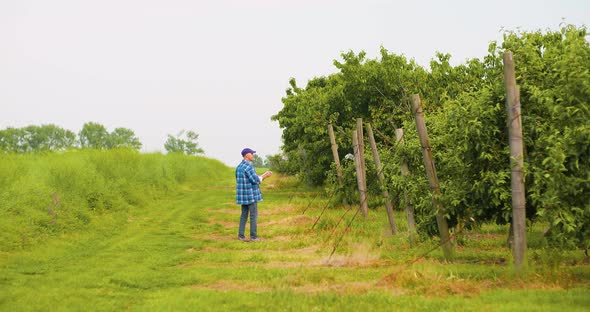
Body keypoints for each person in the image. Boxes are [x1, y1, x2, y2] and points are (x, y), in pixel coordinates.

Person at [235, 147, 272, 242]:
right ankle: (254, 237)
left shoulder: (239, 167)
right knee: (253, 216)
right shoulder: (249, 166)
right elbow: (255, 180)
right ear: (246, 155)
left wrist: (263, 175)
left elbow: (247, 179)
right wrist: (265, 176)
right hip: (250, 195)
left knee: (244, 215)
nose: (253, 155)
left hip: (243, 196)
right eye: (252, 153)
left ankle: (241, 235)